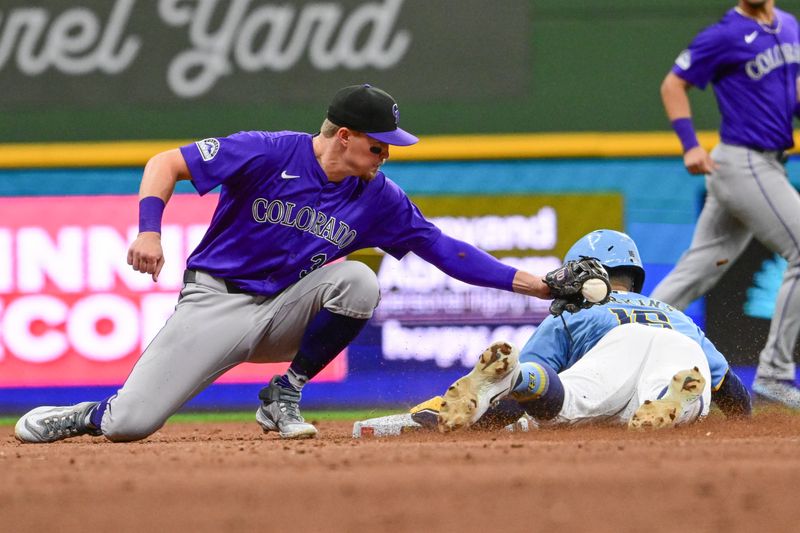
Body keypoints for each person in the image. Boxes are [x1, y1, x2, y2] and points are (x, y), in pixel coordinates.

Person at [14, 84, 608, 444]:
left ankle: (285, 393)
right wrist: (149, 229)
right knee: (130, 425)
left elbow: (445, 250)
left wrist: (540, 285)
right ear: (344, 136)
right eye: (378, 145)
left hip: (284, 311)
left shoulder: (379, 197)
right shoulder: (270, 151)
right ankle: (89, 414)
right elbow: (164, 164)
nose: (384, 157)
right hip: (215, 301)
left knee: (357, 279)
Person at [435, 230, 751, 432]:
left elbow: (520, 400)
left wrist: (478, 423)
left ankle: (516, 376)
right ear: (633, 276)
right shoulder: (676, 315)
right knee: (676, 392)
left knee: (568, 402)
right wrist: (744, 425)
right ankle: (673, 400)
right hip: (681, 348)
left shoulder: (574, 311)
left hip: (615, 348)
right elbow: (728, 387)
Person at [650, 0, 800, 408]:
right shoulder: (724, 34)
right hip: (744, 161)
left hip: (767, 162)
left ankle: (626, 337)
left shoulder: (788, 25)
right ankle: (774, 373)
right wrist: (690, 145)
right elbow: (672, 84)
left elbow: (792, 90)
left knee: (698, 268)